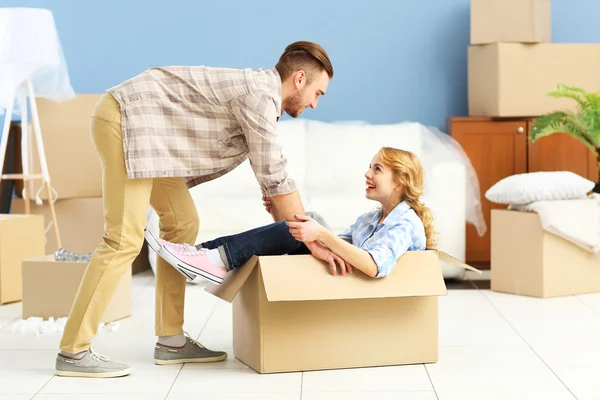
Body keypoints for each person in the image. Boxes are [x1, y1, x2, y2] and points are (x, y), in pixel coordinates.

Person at [55, 41, 336, 378]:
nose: (315, 104)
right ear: (300, 79)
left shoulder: (262, 97)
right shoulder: (260, 94)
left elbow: (272, 181)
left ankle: (171, 340)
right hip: (126, 119)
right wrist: (312, 238)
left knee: (182, 222)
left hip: (151, 137)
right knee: (123, 239)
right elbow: (274, 174)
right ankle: (73, 351)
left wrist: (294, 232)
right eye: (317, 93)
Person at [145, 148, 437, 282]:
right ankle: (203, 256)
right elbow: (319, 245)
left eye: (377, 169)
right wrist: (281, 219)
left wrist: (318, 233)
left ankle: (210, 259)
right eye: (369, 166)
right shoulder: (369, 220)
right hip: (342, 276)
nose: (367, 173)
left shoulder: (405, 221)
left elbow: (375, 267)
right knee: (306, 222)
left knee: (311, 223)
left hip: (359, 284)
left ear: (400, 181)